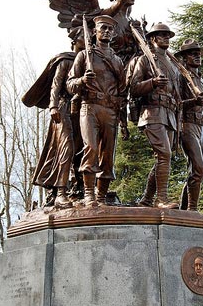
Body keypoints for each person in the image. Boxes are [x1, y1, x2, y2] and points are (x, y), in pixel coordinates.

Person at [67, 15, 128, 207]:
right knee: (91, 148)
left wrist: (123, 120)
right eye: (103, 28)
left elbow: (123, 91)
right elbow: (69, 84)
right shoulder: (84, 56)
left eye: (110, 29)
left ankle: (101, 196)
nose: (107, 32)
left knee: (108, 154)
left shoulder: (117, 61)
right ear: (94, 31)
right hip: (90, 107)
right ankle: (88, 194)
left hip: (110, 110)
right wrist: (83, 81)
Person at [28, 27, 85, 208]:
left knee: (82, 149)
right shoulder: (66, 60)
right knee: (66, 147)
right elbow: (56, 84)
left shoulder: (88, 61)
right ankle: (60, 192)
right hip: (63, 107)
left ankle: (80, 187)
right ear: (74, 41)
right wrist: (53, 106)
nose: (88, 39)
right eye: (84, 37)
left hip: (81, 109)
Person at [128, 22, 181, 209]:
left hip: (170, 115)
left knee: (163, 157)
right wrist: (152, 82)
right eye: (162, 35)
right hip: (151, 112)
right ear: (153, 38)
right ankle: (161, 199)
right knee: (164, 154)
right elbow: (133, 89)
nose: (167, 38)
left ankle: (147, 200)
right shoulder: (145, 60)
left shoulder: (174, 66)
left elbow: (177, 95)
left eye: (168, 35)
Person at [175, 39, 203, 211]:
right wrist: (194, 101)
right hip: (186, 124)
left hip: (201, 127)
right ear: (184, 58)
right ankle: (192, 209)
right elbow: (175, 103)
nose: (197, 56)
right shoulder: (180, 77)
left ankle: (186, 208)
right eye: (192, 54)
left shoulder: (201, 80)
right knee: (199, 167)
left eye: (198, 54)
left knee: (197, 170)